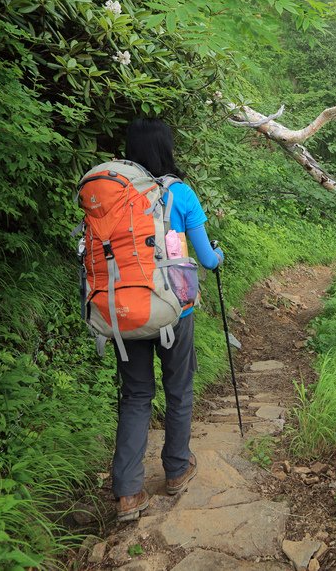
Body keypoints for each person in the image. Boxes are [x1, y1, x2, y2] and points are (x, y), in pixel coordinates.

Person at [113, 117, 224, 522]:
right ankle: (176, 470)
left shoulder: (118, 194)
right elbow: (208, 260)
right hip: (174, 308)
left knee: (136, 396)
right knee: (178, 389)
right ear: (166, 147)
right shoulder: (180, 193)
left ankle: (127, 493)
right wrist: (218, 254)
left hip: (126, 309)